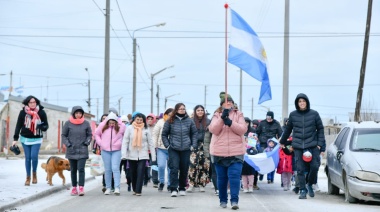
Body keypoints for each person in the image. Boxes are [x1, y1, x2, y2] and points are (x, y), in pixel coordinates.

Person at [280, 93, 326, 199]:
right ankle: (302, 190)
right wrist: (282, 141)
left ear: (307, 102)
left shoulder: (314, 114)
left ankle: (309, 184)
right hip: (298, 145)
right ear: (297, 103)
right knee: (300, 169)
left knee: (314, 167)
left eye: (303, 101)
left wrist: (320, 145)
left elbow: (320, 129)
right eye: (300, 101)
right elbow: (288, 129)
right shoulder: (293, 115)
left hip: (312, 144)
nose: (302, 103)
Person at [209, 92, 246, 210]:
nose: (228, 103)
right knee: (222, 178)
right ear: (221, 104)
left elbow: (242, 130)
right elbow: (213, 130)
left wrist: (230, 122)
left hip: (236, 152)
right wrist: (222, 118)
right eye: (226, 101)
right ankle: (223, 200)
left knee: (234, 176)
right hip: (220, 151)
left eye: (230, 101)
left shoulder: (238, 114)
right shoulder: (216, 115)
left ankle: (234, 200)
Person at [162, 103, 197, 197]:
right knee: (174, 168)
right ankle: (174, 188)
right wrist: (167, 145)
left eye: (183, 109)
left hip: (186, 148)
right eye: (180, 109)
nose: (182, 110)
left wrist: (193, 145)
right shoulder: (170, 120)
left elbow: (194, 134)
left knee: (184, 168)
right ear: (176, 110)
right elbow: (164, 134)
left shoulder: (189, 121)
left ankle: (182, 187)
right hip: (173, 148)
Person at [12, 95, 49, 186]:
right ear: (27, 103)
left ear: (36, 103)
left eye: (34, 102)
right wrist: (15, 139)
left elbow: (46, 126)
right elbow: (18, 126)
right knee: (28, 158)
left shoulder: (41, 112)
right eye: (30, 102)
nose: (32, 104)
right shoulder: (22, 113)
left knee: (34, 156)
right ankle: (28, 177)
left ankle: (34, 174)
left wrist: (42, 126)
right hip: (25, 138)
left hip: (37, 138)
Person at [122, 113, 156, 196]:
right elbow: (125, 142)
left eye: (141, 120)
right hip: (131, 154)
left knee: (140, 172)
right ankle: (134, 188)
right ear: (134, 120)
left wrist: (153, 156)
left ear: (143, 120)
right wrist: (124, 154)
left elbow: (150, 143)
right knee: (132, 173)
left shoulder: (146, 129)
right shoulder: (129, 128)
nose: (139, 121)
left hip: (143, 154)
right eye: (137, 119)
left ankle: (138, 190)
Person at [61, 106, 92, 196]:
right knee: (73, 169)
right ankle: (74, 187)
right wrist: (68, 144)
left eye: (80, 113)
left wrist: (87, 142)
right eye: (77, 113)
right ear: (73, 114)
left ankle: (81, 187)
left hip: (82, 150)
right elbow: (63, 135)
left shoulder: (86, 123)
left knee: (81, 169)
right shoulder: (68, 123)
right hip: (72, 150)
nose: (78, 115)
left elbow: (89, 135)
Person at [95, 112, 126, 196]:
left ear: (116, 122)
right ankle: (108, 187)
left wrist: (121, 143)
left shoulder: (121, 127)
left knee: (115, 168)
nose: (111, 124)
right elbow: (96, 134)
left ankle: (117, 187)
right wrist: (101, 143)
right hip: (105, 150)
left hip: (117, 150)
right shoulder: (102, 126)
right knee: (107, 169)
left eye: (113, 123)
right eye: (110, 123)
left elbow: (126, 136)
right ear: (107, 121)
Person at [187, 105, 211, 193]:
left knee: (204, 165)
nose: (200, 112)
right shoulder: (191, 121)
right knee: (192, 165)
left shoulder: (208, 121)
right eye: (198, 110)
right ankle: (191, 184)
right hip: (194, 145)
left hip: (205, 146)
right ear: (195, 112)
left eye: (202, 110)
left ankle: (202, 184)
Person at [255, 111, 282, 181]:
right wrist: (256, 137)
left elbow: (280, 134)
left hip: (272, 144)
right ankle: (261, 173)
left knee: (271, 161)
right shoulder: (262, 123)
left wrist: (280, 141)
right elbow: (257, 132)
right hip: (263, 143)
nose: (269, 120)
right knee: (263, 159)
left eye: (270, 119)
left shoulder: (276, 124)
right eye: (267, 118)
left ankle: (270, 178)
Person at [152, 108, 174, 192]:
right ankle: (161, 181)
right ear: (165, 114)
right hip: (161, 148)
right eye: (169, 115)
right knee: (161, 166)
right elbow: (155, 134)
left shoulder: (175, 122)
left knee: (170, 167)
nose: (170, 116)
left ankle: (169, 184)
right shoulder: (160, 122)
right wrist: (154, 145)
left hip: (172, 149)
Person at [145, 113, 159, 188]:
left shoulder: (156, 127)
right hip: (145, 150)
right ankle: (146, 179)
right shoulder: (144, 127)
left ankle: (155, 181)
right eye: (148, 119)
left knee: (154, 165)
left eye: (151, 119)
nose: (150, 120)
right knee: (146, 166)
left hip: (154, 149)